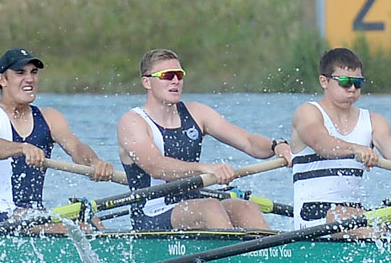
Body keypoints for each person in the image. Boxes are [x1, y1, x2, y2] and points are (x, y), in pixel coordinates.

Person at [115, 48, 292, 232]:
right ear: (147, 82)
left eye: (179, 75)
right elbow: (157, 167)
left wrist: (277, 146)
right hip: (151, 214)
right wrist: (205, 168)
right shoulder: (132, 122)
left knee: (245, 207)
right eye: (167, 76)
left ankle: (270, 257)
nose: (175, 81)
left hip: (194, 206)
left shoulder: (197, 113)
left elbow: (248, 142)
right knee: (211, 207)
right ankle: (231, 259)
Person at [0, 46, 120, 225]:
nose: (29, 79)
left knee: (91, 221)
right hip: (0, 220)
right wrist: (22, 148)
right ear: (2, 80)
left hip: (34, 217)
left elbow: (76, 147)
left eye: (34, 72)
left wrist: (94, 162)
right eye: (20, 73)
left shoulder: (49, 117)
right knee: (77, 229)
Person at [288, 47, 391, 230]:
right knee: (343, 215)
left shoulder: (374, 121)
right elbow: (321, 142)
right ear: (324, 81)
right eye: (345, 82)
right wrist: (355, 149)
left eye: (358, 83)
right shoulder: (308, 112)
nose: (352, 89)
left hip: (353, 214)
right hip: (312, 216)